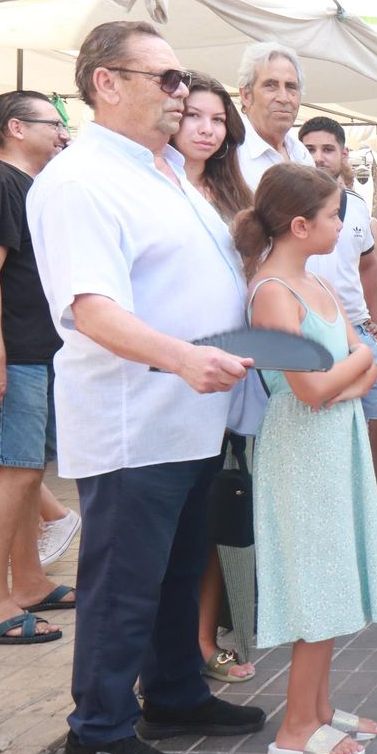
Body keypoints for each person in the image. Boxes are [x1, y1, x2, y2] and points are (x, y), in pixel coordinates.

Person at [31, 21, 265, 754]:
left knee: (173, 574)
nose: (180, 93)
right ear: (106, 82)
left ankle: (172, 694)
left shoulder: (160, 170)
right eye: (164, 80)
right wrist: (184, 356)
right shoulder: (81, 180)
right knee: (123, 585)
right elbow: (92, 309)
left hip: (188, 415)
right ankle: (95, 733)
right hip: (136, 416)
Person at [234, 162, 377, 754]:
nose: (340, 226)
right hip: (301, 450)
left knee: (329, 573)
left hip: (329, 444)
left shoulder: (315, 284)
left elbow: (363, 359)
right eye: (332, 216)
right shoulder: (274, 293)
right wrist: (346, 375)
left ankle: (319, 709)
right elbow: (308, 388)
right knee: (315, 582)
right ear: (300, 225)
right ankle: (296, 728)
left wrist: (343, 377)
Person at [0, 91, 72, 647]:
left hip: (31, 347)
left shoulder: (27, 184)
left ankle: (27, 581)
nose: (62, 131)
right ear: (16, 128)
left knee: (28, 469)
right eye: (54, 122)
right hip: (13, 350)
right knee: (15, 468)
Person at [168, 72, 257, 684]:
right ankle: (173, 654)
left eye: (217, 119)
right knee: (171, 528)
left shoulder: (235, 197)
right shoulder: (153, 185)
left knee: (212, 519)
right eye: (193, 115)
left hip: (231, 379)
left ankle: (202, 641)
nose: (204, 128)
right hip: (165, 377)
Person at [299, 117, 377, 555]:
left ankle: (370, 517)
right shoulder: (284, 203)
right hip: (305, 335)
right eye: (309, 148)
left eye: (327, 149)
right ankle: (327, 531)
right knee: (317, 434)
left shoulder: (356, 206)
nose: (318, 157)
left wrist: (372, 319)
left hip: (356, 331)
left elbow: (370, 264)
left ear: (344, 155)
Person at [235, 41, 313, 186]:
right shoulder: (230, 155)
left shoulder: (301, 154)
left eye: (291, 87)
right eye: (271, 85)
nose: (283, 98)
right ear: (246, 95)